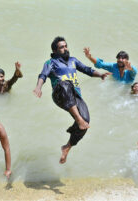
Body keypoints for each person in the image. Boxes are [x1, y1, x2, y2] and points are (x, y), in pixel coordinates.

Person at [33, 36, 110, 164]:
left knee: (86, 122)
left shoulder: (73, 60)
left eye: (66, 46)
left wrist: (100, 74)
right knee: (65, 83)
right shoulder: (51, 62)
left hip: (75, 96)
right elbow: (43, 75)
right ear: (55, 51)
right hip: (60, 94)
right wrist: (38, 87)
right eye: (61, 47)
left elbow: (87, 70)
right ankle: (78, 120)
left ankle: (67, 147)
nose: (65, 48)